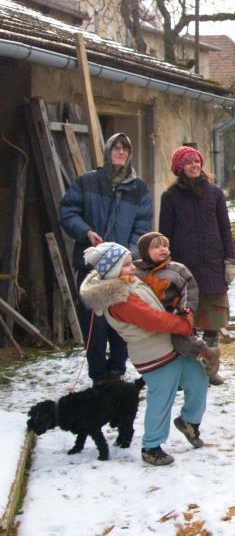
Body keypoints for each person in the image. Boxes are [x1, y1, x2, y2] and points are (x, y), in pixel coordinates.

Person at [79, 242, 207, 466]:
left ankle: (189, 421)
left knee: (198, 378)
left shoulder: (130, 282)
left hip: (170, 346)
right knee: (161, 399)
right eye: (127, 264)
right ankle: (151, 446)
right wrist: (183, 324)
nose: (133, 267)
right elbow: (153, 320)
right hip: (153, 355)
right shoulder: (120, 300)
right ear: (112, 271)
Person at [59, 133, 152, 384]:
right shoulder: (87, 182)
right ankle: (98, 375)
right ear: (108, 151)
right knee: (95, 324)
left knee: (121, 320)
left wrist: (128, 256)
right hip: (91, 265)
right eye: (116, 148)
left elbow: (142, 226)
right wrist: (85, 231)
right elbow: (68, 213)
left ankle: (117, 371)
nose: (120, 153)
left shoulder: (139, 188)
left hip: (123, 268)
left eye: (125, 149)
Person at [158, 146, 235, 376]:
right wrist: (166, 267)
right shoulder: (170, 198)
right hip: (185, 271)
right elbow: (165, 234)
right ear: (179, 167)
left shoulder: (214, 194)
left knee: (213, 323)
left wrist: (230, 259)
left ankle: (211, 370)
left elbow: (225, 228)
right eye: (189, 162)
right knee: (186, 325)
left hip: (213, 266)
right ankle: (190, 371)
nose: (195, 165)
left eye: (197, 161)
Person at [134, 231, 223, 384]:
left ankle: (208, 353)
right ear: (144, 252)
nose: (163, 249)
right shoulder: (138, 272)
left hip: (175, 313)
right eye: (156, 247)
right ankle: (171, 377)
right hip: (152, 316)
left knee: (183, 343)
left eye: (165, 246)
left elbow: (190, 288)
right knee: (161, 348)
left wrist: (186, 307)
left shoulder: (177, 270)